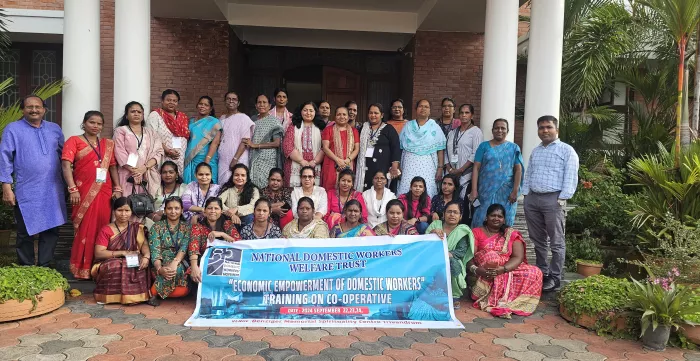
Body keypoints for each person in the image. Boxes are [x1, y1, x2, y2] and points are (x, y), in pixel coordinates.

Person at [0, 95, 67, 266]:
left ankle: (45, 268)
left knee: (51, 230)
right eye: (29, 107)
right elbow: (5, 158)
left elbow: (65, 156)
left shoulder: (54, 129)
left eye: (38, 107)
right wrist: (7, 187)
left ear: (44, 109)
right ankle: (26, 269)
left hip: (53, 189)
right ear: (23, 110)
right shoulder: (13, 129)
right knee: (24, 232)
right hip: (26, 189)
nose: (34, 110)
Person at [61, 111, 121, 279]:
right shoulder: (74, 141)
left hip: (105, 192)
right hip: (82, 191)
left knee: (102, 227)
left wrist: (117, 187)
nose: (95, 126)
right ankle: (81, 268)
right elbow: (66, 166)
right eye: (92, 122)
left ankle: (99, 269)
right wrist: (72, 188)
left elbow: (113, 167)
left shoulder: (108, 144)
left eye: (99, 123)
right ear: (84, 123)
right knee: (84, 229)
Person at [522, 115, 579, 292]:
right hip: (533, 199)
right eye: (541, 128)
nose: (545, 130)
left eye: (548, 127)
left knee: (556, 241)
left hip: (553, 199)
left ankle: (555, 277)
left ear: (557, 130)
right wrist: (525, 194)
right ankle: (542, 272)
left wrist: (563, 197)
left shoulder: (566, 150)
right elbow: (529, 173)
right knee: (537, 240)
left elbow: (571, 175)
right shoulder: (536, 150)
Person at [469, 204, 543, 317]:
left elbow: (517, 257)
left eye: (500, 216)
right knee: (492, 257)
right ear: (486, 217)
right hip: (486, 269)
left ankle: (512, 303)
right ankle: (494, 298)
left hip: (505, 267)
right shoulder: (476, 232)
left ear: (504, 219)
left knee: (535, 272)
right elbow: (469, 256)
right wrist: (477, 270)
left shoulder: (511, 234)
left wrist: (503, 269)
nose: (496, 218)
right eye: (493, 215)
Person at [91, 197, 150, 305]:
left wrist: (146, 256)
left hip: (132, 258)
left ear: (132, 212)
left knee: (139, 264)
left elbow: (144, 245)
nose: (123, 214)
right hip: (110, 260)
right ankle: (109, 297)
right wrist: (122, 253)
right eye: (120, 210)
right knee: (115, 265)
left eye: (127, 210)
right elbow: (99, 253)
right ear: (114, 211)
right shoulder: (106, 229)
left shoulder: (137, 227)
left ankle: (135, 297)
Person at [470, 118, 523, 228]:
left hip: (506, 192)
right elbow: (476, 168)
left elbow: (518, 170)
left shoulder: (513, 148)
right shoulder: (483, 146)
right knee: (481, 218)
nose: (500, 130)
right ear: (492, 130)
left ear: (507, 131)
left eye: (503, 128)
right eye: (497, 128)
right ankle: (479, 243)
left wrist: (515, 190)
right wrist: (474, 190)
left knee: (504, 220)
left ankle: (503, 244)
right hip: (485, 191)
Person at [114, 101, 164, 197]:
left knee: (146, 204)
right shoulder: (120, 131)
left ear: (142, 115)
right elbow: (119, 152)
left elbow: (159, 151)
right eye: (133, 111)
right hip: (127, 174)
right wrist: (136, 172)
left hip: (147, 173)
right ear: (126, 115)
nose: (136, 114)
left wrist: (144, 168)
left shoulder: (151, 132)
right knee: (127, 202)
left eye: (139, 112)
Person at [426, 201, 474, 301]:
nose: (452, 214)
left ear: (460, 216)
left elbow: (460, 252)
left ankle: (454, 295)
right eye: (449, 212)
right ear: (443, 214)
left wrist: (446, 254)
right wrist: (432, 233)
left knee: (451, 263)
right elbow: (425, 245)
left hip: (452, 259)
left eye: (455, 212)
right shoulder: (435, 225)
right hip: (431, 257)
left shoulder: (462, 230)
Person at [398, 99, 446, 198]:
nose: (423, 108)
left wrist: (440, 168)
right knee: (407, 187)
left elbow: (440, 149)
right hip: (409, 163)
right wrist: (398, 166)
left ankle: (426, 212)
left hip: (428, 163)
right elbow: (400, 148)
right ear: (416, 109)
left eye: (426, 107)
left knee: (426, 188)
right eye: (420, 106)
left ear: (430, 111)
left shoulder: (435, 127)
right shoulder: (408, 126)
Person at [148, 196, 191, 305]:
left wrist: (175, 263)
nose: (173, 211)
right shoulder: (156, 227)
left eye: (176, 208)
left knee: (178, 270)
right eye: (169, 208)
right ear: (165, 211)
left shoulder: (187, 228)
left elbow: (184, 248)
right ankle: (156, 292)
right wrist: (159, 268)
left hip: (179, 260)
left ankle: (153, 292)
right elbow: (155, 251)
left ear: (182, 210)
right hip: (160, 261)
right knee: (167, 270)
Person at [188, 197, 242, 283]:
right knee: (194, 272)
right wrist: (194, 267)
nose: (213, 211)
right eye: (209, 208)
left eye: (216, 208)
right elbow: (193, 248)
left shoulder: (227, 224)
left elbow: (238, 244)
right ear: (204, 211)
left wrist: (222, 234)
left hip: (226, 263)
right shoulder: (198, 227)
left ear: (221, 211)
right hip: (204, 263)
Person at [355, 104, 401, 192]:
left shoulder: (389, 129)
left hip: (383, 167)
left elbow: (395, 147)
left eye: (376, 113)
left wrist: (395, 166)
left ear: (382, 115)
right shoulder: (363, 128)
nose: (373, 115)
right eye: (371, 113)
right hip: (366, 167)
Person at [244, 94, 284, 189]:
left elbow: (276, 143)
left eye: (264, 102)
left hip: (267, 160)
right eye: (259, 102)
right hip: (253, 158)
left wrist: (255, 145)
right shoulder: (252, 120)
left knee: (266, 185)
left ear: (269, 106)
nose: (261, 105)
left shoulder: (274, 122)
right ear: (256, 105)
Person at [283, 101, 326, 187]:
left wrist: (314, 162)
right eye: (305, 110)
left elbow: (324, 147)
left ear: (315, 112)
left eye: (311, 110)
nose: (308, 113)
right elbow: (287, 146)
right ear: (301, 112)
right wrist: (301, 161)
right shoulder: (293, 126)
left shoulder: (321, 128)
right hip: (295, 165)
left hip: (316, 165)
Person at [446, 104, 483, 201]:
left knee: (463, 202)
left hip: (467, 174)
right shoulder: (452, 132)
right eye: (461, 113)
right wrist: (450, 169)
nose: (464, 115)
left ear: (472, 115)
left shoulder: (476, 132)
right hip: (451, 173)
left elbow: (476, 154)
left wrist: (461, 169)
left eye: (467, 113)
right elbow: (446, 151)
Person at [146, 89, 189, 173]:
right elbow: (151, 136)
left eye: (174, 101)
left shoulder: (182, 117)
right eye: (168, 100)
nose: (171, 102)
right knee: (163, 178)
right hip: (162, 155)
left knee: (177, 180)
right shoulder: (155, 115)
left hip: (180, 157)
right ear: (162, 101)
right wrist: (167, 150)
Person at [218, 91, 255, 184]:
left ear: (238, 103)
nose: (231, 101)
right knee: (222, 185)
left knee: (237, 184)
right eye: (228, 99)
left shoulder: (244, 118)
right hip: (223, 159)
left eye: (234, 99)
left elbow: (245, 141)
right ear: (225, 101)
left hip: (238, 158)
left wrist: (235, 159)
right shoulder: (222, 118)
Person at [183, 96, 222, 184]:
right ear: (197, 105)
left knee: (208, 184)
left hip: (207, 158)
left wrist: (207, 160)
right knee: (191, 184)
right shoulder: (191, 122)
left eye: (206, 105)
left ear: (210, 108)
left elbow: (215, 143)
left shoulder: (214, 122)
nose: (202, 106)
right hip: (191, 158)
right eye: (201, 104)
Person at [320, 106, 360, 191]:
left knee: (347, 188)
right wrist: (338, 160)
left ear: (348, 117)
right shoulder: (328, 130)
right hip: (331, 164)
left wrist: (347, 160)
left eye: (344, 114)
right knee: (330, 189)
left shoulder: (354, 131)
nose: (342, 117)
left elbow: (356, 149)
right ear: (335, 117)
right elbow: (325, 148)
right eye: (339, 114)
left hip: (348, 164)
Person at [147, 161, 187, 228]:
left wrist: (163, 213)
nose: (168, 175)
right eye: (164, 172)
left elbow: (186, 209)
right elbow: (148, 210)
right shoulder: (155, 188)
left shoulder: (184, 188)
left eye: (171, 172)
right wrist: (155, 217)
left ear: (177, 174)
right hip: (153, 222)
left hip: (177, 222)